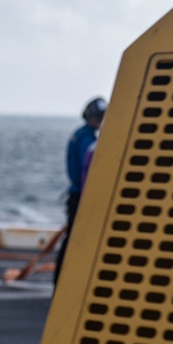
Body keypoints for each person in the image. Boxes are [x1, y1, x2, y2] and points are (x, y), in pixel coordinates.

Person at [54, 96, 106, 284]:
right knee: (77, 240)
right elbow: (88, 169)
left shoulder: (80, 134)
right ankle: (66, 281)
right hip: (81, 195)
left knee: (72, 240)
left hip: (75, 193)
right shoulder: (87, 139)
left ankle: (61, 280)